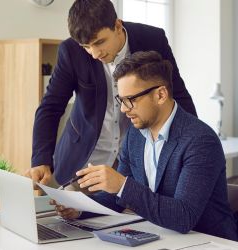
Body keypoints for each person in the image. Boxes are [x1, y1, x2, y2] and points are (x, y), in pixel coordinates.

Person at [52, 51, 238, 241]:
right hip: (162, 236)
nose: (124, 109)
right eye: (121, 100)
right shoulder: (135, 135)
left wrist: (122, 185)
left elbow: (183, 217)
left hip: (207, 241)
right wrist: (79, 208)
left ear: (160, 95)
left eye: (130, 100)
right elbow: (117, 199)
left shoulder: (200, 140)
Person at [26, 0, 197, 186]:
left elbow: (176, 94)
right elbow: (51, 106)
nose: (94, 53)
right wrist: (40, 159)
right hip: (83, 162)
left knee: (132, 213)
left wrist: (194, 144)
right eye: (86, 46)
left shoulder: (153, 39)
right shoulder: (70, 51)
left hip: (133, 162)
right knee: (70, 212)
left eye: (99, 42)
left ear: (117, 25)